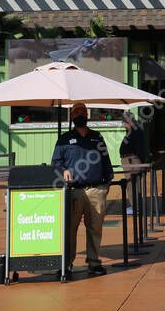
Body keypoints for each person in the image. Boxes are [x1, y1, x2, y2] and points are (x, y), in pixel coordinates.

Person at [52, 102, 114, 275]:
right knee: (70, 228)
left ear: (87, 115)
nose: (79, 115)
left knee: (95, 227)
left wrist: (107, 182)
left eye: (82, 112)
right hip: (74, 191)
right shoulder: (64, 139)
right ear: (72, 116)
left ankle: (93, 262)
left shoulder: (97, 137)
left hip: (96, 190)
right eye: (76, 113)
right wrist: (63, 171)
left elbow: (106, 161)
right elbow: (55, 163)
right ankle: (67, 264)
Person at [118, 111, 147, 215]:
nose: (122, 124)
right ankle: (135, 206)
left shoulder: (136, 131)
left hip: (132, 161)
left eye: (123, 122)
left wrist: (141, 163)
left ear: (128, 121)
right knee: (131, 184)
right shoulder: (131, 131)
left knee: (133, 184)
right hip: (129, 160)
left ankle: (136, 208)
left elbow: (140, 149)